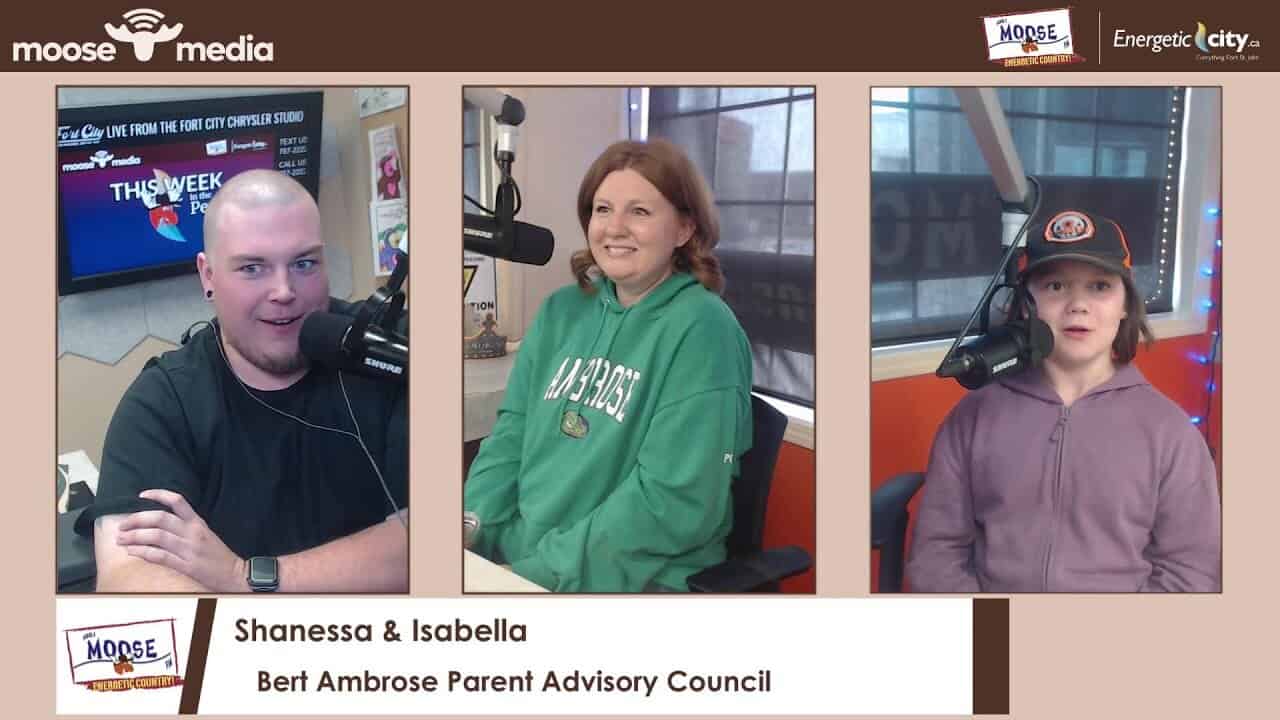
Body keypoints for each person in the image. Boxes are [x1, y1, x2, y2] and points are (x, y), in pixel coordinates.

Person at [77, 169, 408, 593]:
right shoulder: (163, 402)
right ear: (208, 276)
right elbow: (130, 577)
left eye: (304, 263)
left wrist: (244, 577)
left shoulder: (390, 351)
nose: (284, 290)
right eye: (253, 268)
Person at [464, 139, 753, 593]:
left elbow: (673, 503)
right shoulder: (562, 310)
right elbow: (510, 434)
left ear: (683, 229)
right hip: (523, 558)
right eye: (602, 209)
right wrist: (471, 525)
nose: (614, 228)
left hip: (632, 577)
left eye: (639, 212)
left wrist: (533, 577)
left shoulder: (703, 330)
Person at [906, 209, 1221, 593]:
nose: (1077, 304)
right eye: (1055, 286)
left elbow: (1191, 571)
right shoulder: (973, 417)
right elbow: (936, 552)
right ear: (1026, 304)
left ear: (1125, 304)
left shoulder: (1169, 432)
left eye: (1100, 287)